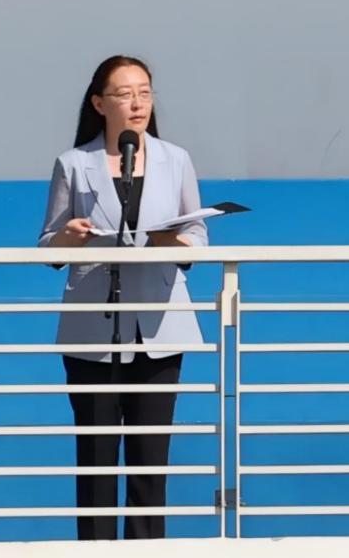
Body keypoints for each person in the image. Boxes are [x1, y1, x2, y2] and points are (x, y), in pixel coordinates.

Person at [38, 55, 207, 540]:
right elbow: (48, 246)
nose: (137, 104)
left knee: (150, 461)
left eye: (145, 93)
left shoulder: (176, 159)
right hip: (93, 327)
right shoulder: (74, 164)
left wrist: (175, 242)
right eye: (125, 94)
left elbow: (197, 235)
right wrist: (69, 236)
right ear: (99, 103)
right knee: (95, 460)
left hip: (159, 326)